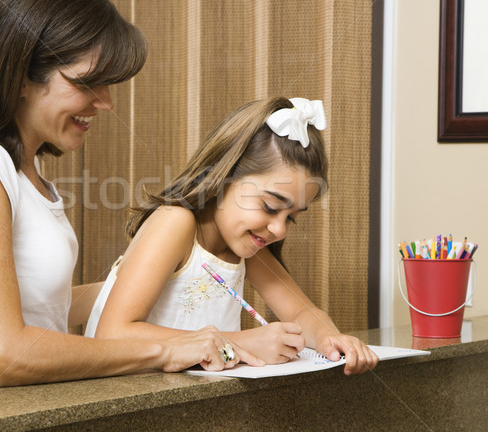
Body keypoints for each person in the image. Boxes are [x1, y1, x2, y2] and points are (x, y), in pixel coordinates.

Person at [0, 0, 258, 391]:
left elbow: (43, 308)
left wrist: (159, 278)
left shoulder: (22, 170)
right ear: (21, 76)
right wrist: (168, 349)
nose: (105, 103)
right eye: (88, 82)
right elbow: (1, 357)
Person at [85, 96, 379, 375]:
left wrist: (330, 338)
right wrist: (240, 342)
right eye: (270, 206)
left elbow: (301, 312)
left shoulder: (245, 245)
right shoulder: (175, 222)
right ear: (223, 178)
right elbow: (112, 334)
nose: (279, 229)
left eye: (291, 218)